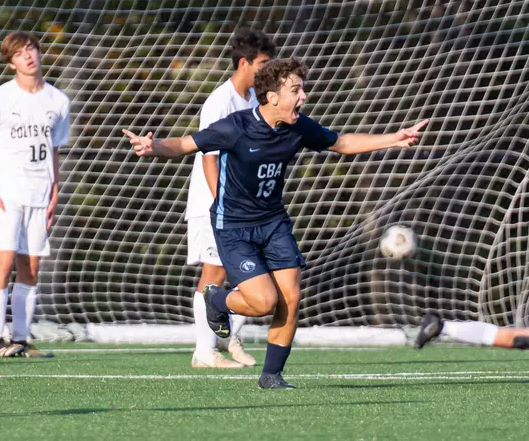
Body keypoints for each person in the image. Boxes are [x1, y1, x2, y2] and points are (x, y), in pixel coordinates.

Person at [124, 57, 428, 389]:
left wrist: (393, 139)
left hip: (273, 223)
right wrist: (152, 146)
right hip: (234, 227)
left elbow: (341, 143)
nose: (303, 97)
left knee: (292, 298)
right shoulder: (236, 127)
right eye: (296, 90)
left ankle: (271, 375)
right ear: (272, 97)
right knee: (263, 302)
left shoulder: (298, 127)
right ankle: (216, 299)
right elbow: (184, 145)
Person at [0, 31, 70, 359]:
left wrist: (54, 190)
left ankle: (20, 339)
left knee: (31, 266)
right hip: (6, 193)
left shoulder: (58, 101)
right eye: (19, 53)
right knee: (2, 263)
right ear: (11, 61)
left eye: (30, 49)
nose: (28, 56)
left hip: (39, 194)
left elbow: (53, 150)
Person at [186, 29, 275, 369]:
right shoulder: (220, 101)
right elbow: (208, 154)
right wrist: (218, 201)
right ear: (244, 63)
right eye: (263, 64)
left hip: (244, 205)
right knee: (216, 271)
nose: (268, 71)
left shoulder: (253, 99)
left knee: (256, 273)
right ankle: (203, 351)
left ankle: (228, 337)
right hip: (215, 203)